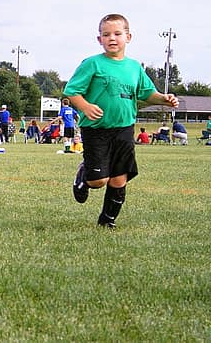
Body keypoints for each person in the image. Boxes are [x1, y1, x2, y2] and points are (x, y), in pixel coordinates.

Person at [64, 13, 178, 229]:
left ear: (128, 37)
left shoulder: (134, 67)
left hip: (124, 128)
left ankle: (107, 221)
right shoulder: (92, 64)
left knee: (119, 179)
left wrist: (163, 99)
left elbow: (147, 93)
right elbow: (72, 92)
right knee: (99, 181)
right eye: (106, 34)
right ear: (99, 40)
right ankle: (84, 173)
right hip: (96, 129)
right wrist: (85, 107)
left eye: (117, 33)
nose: (112, 38)